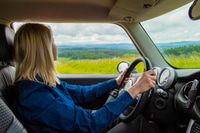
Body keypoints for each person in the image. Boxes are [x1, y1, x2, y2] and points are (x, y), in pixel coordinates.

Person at [13, 23, 157, 133]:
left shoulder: (42, 81)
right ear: (42, 50)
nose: (56, 46)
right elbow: (90, 123)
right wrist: (135, 90)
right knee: (137, 123)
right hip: (85, 127)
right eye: (52, 41)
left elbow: (81, 93)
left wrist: (115, 82)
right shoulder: (34, 96)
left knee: (125, 117)